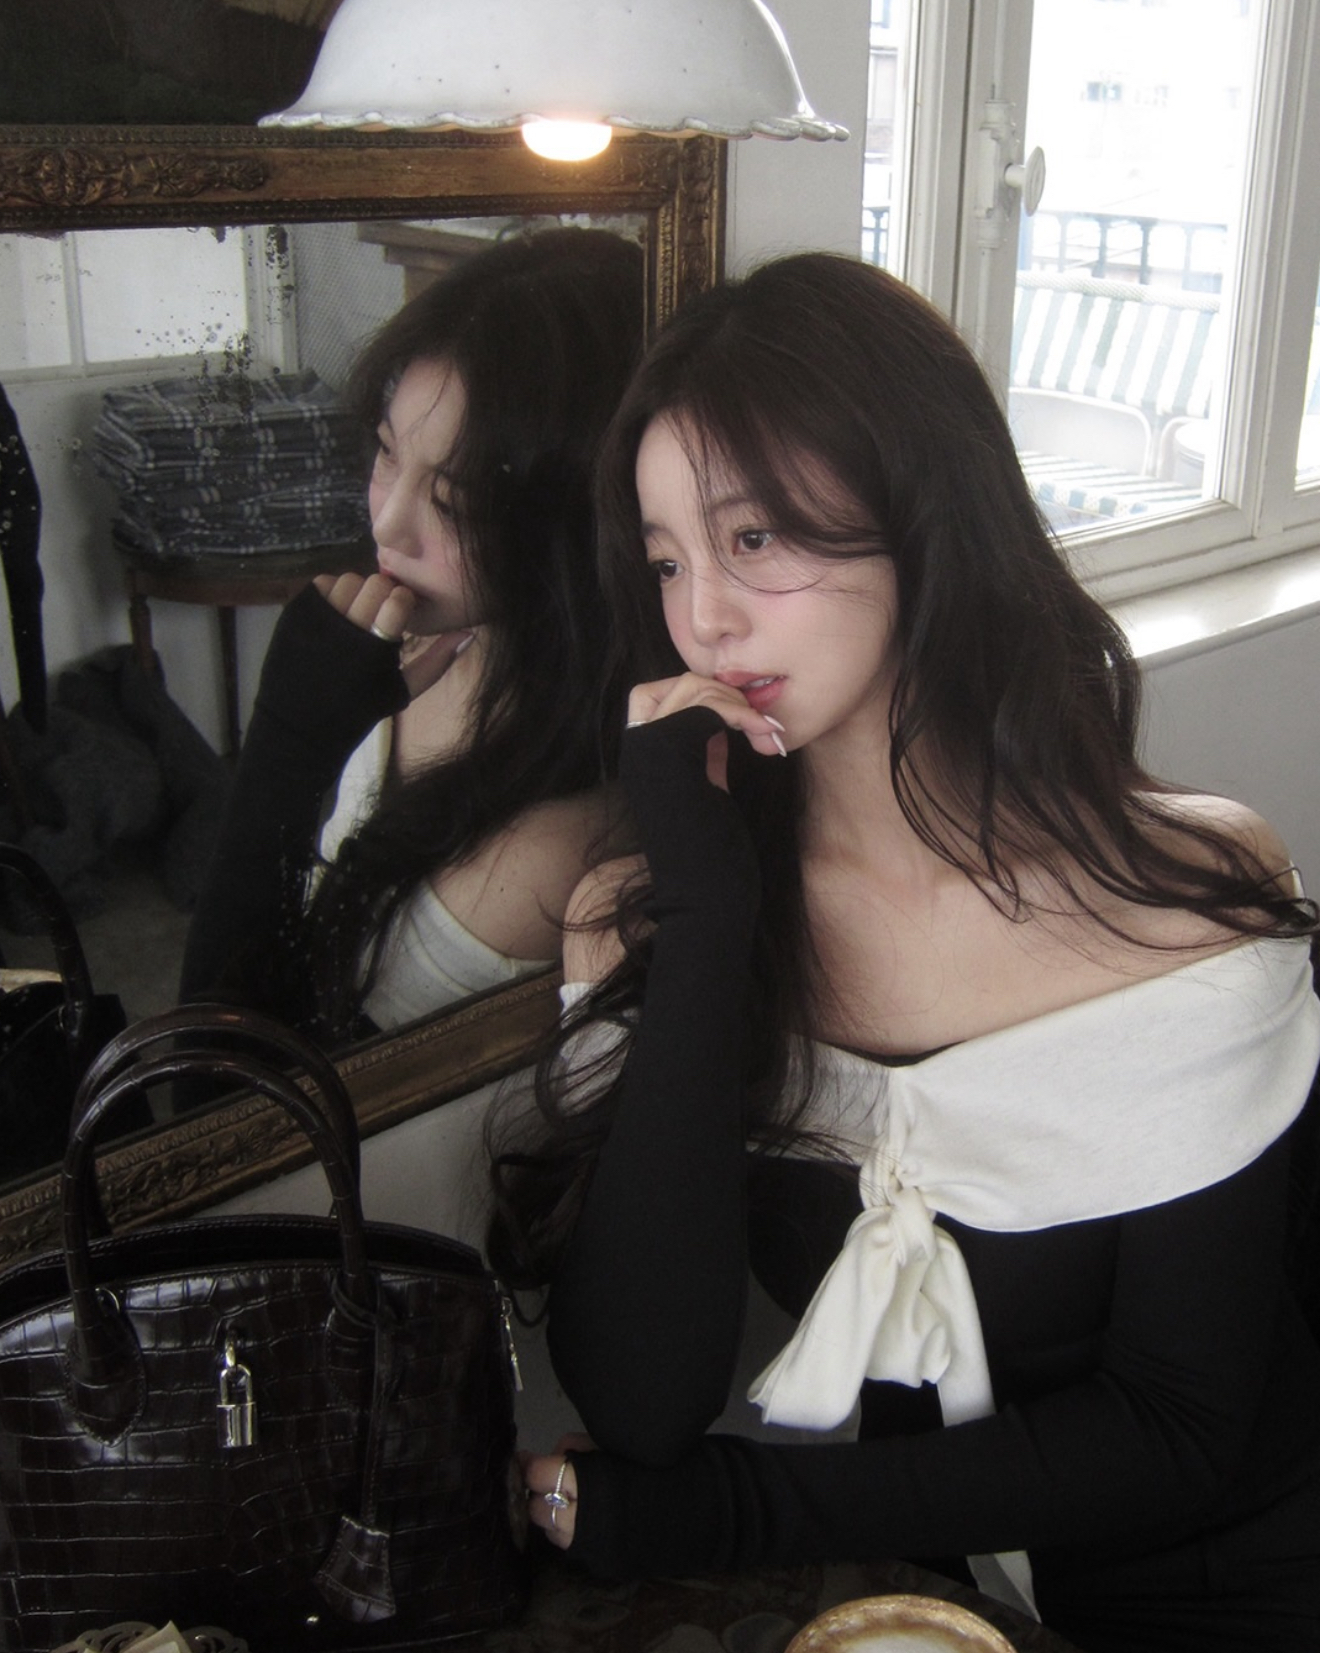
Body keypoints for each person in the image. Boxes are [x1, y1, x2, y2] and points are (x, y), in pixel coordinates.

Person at [488, 253, 1320, 1653]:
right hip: (925, 1593)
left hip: (1236, 1583)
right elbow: (640, 1400)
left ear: (922, 514)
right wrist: (703, 922)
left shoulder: (1185, 893)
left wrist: (725, 1513)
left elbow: (1180, 1427)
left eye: (756, 538)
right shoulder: (653, 906)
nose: (704, 618)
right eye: (669, 559)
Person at [180, 227, 644, 1044]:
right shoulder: (429, 647)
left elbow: (216, 1082)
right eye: (389, 453)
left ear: (576, 528)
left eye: (453, 502)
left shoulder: (545, 850)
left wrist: (286, 747)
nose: (388, 524)